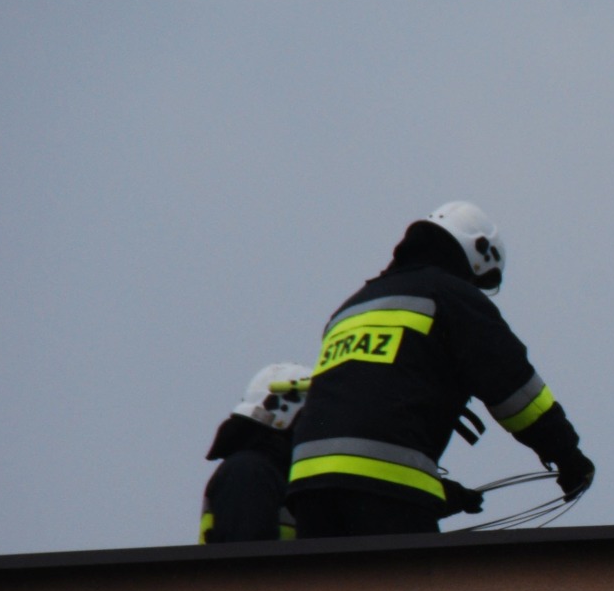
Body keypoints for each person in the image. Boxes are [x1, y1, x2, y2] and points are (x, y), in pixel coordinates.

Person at [286, 202, 593, 538]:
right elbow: (514, 389)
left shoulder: (351, 307)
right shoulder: (448, 295)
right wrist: (566, 454)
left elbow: (365, 408)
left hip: (308, 485)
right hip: (385, 485)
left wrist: (436, 490)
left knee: (332, 590)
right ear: (477, 253)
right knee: (413, 590)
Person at [200, 362, 312, 543]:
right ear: (285, 412)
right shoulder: (249, 472)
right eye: (309, 416)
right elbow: (246, 562)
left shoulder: (272, 472)